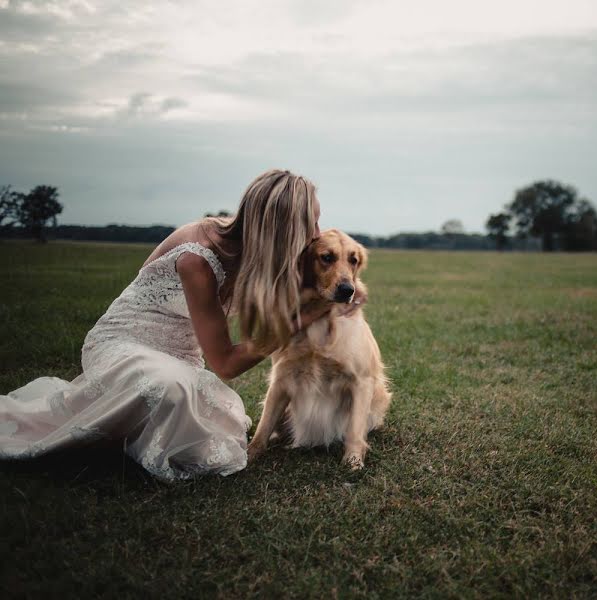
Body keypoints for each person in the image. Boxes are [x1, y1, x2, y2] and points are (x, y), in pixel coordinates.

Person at [0, 169, 359, 481]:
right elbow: (227, 364)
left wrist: (348, 292)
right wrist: (302, 319)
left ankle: (122, 427)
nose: (316, 233)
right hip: (123, 343)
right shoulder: (198, 257)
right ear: (282, 228)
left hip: (180, 357)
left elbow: (329, 285)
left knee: (206, 419)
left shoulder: (268, 260)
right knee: (169, 390)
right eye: (309, 222)